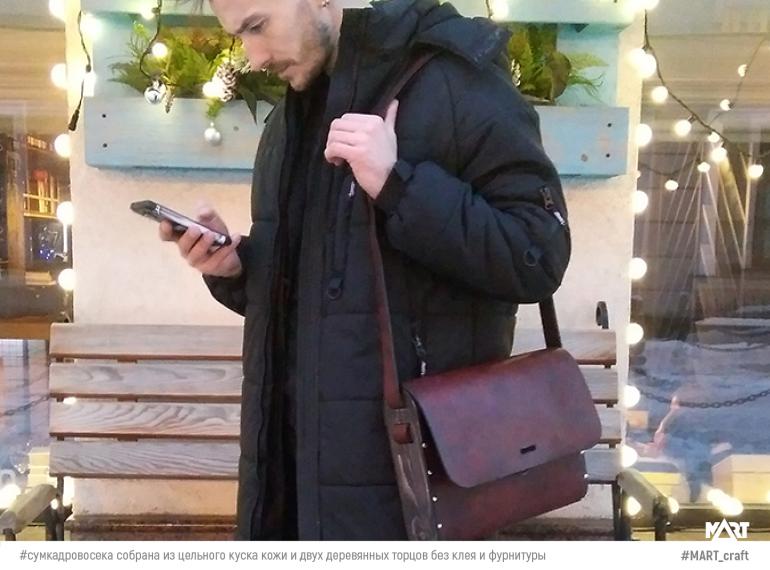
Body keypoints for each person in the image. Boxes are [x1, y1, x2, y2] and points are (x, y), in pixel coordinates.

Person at [161, 0, 571, 540]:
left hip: (410, 490)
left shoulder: (454, 82)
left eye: (258, 27)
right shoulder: (291, 118)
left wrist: (398, 183)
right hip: (290, 487)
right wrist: (236, 268)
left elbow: (536, 253)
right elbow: (327, 290)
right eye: (240, 36)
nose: (253, 57)